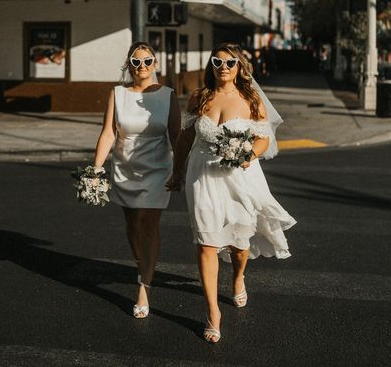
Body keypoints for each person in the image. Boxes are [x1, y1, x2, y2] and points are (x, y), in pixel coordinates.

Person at [167, 42, 296, 343]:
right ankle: (213, 311)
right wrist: (176, 172)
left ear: (239, 67)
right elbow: (186, 138)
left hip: (241, 175)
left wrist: (249, 155)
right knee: (206, 242)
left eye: (229, 63)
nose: (222, 68)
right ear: (210, 65)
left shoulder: (250, 100)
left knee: (240, 244)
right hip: (202, 175)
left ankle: (238, 276)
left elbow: (264, 140)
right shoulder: (199, 98)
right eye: (217, 62)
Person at [93, 41, 181, 319]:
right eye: (136, 61)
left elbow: (176, 137)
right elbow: (108, 133)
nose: (141, 66)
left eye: (147, 61)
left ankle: (144, 286)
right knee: (132, 223)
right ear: (129, 64)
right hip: (125, 168)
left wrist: (178, 171)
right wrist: (95, 170)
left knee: (148, 222)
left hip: (157, 169)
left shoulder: (168, 95)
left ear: (155, 63)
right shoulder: (117, 93)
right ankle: (141, 264)